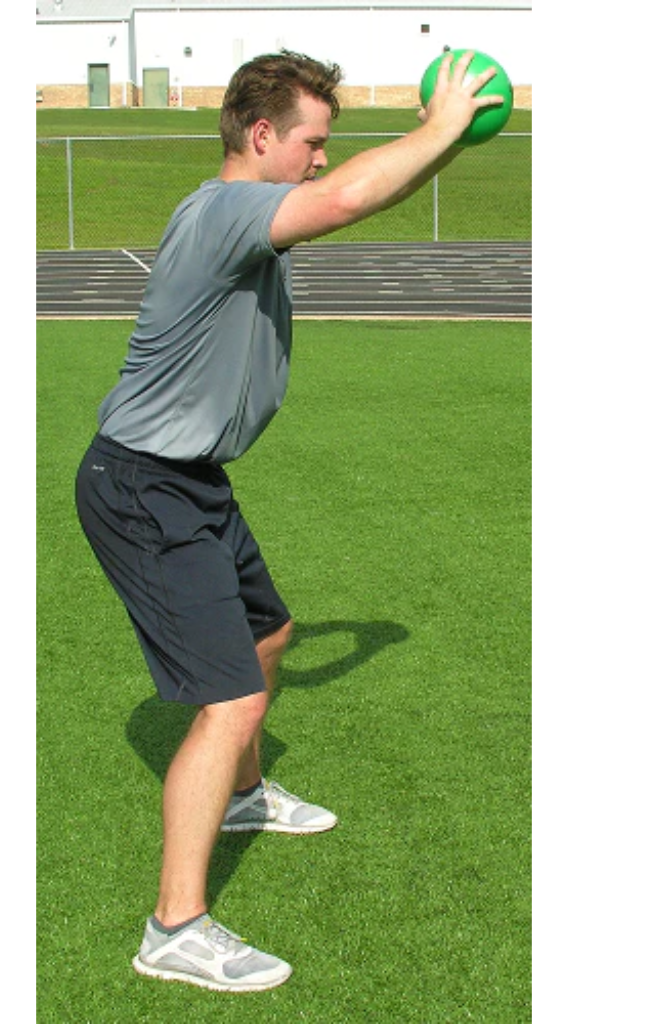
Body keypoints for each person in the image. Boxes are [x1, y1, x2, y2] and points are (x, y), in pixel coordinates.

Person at [75, 48, 505, 994]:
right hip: (142, 484)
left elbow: (349, 190)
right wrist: (439, 128)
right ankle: (173, 930)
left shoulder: (240, 219)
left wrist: (441, 146)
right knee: (226, 703)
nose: (319, 159)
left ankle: (241, 798)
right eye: (311, 141)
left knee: (270, 634)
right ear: (261, 135)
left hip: (191, 479)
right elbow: (349, 199)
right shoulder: (225, 211)